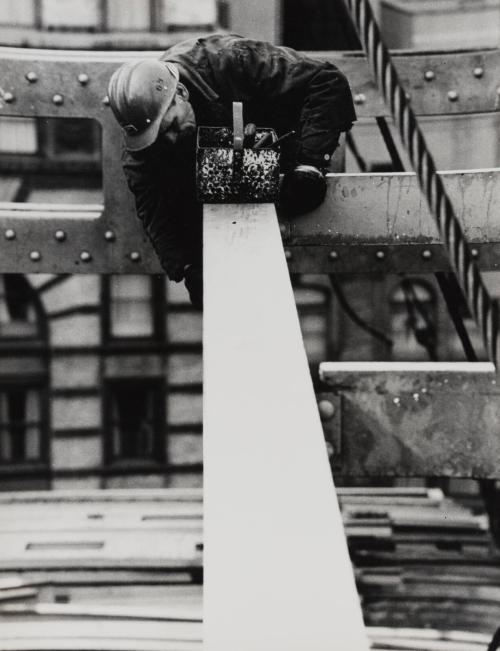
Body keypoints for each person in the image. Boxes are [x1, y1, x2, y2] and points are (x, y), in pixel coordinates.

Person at [108, 34, 356, 308]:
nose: (170, 138)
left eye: (172, 126)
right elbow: (151, 201)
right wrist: (188, 265)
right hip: (214, 197)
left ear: (181, 93)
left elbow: (327, 82)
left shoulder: (232, 60)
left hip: (286, 161)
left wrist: (309, 165)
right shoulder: (145, 136)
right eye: (159, 136)